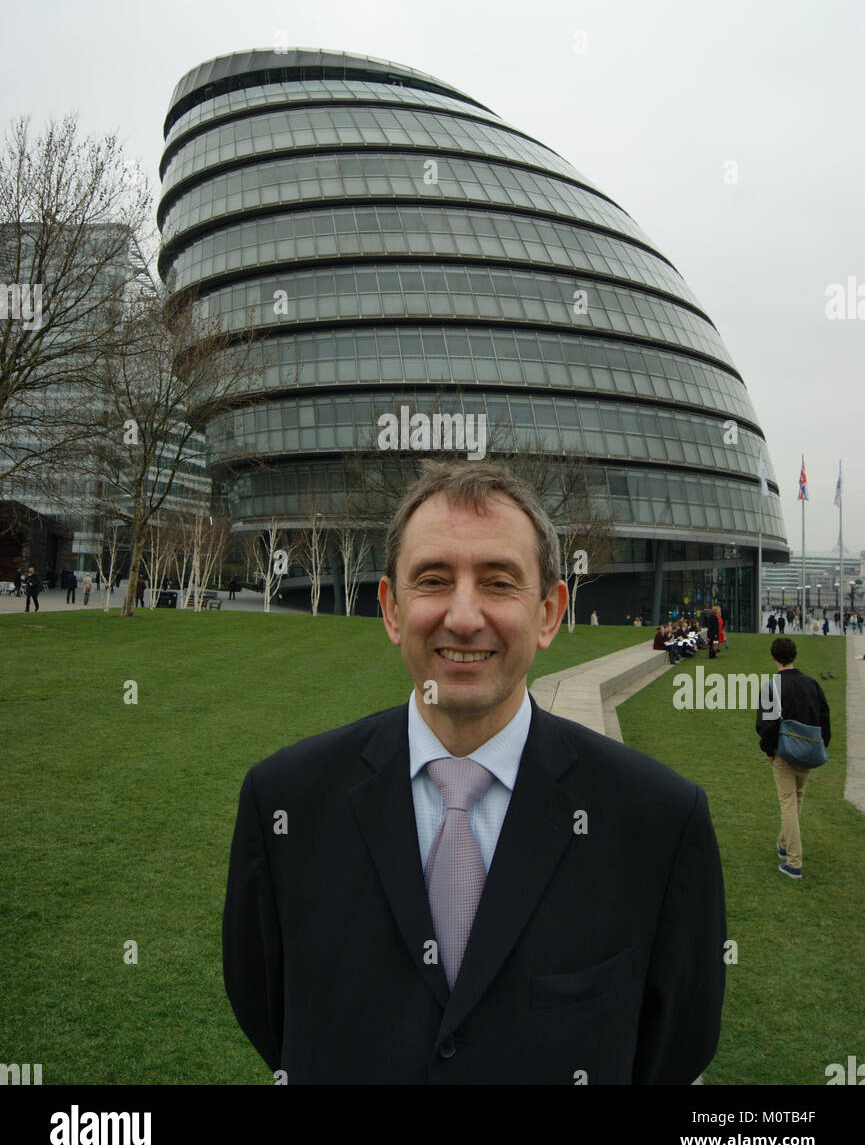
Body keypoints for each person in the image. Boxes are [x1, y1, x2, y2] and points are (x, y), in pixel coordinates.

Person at [223, 461, 726, 1085]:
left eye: (498, 582)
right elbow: (267, 1008)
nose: (464, 617)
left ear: (548, 613)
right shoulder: (285, 803)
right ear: (391, 608)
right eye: (433, 580)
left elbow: (673, 1049)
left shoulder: (658, 823)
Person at [755, 637, 831, 880]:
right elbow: (824, 719)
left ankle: (794, 861)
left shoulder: (772, 687)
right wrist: (821, 744)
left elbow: (765, 726)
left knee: (788, 802)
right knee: (796, 799)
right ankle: (784, 843)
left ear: (773, 657)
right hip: (809, 749)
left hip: (784, 751)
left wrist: (768, 750)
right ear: (794, 656)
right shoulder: (812, 684)